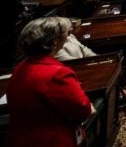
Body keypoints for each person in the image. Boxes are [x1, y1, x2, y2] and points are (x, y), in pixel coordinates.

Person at [5, 17, 94, 147]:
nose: (68, 37)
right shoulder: (58, 74)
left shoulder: (20, 68)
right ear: (55, 42)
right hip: (52, 140)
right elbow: (82, 110)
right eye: (66, 34)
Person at [0, 0, 27, 70]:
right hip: (4, 17)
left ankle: (9, 64)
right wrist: (21, 7)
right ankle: (6, 67)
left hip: (10, 16)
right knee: (6, 43)